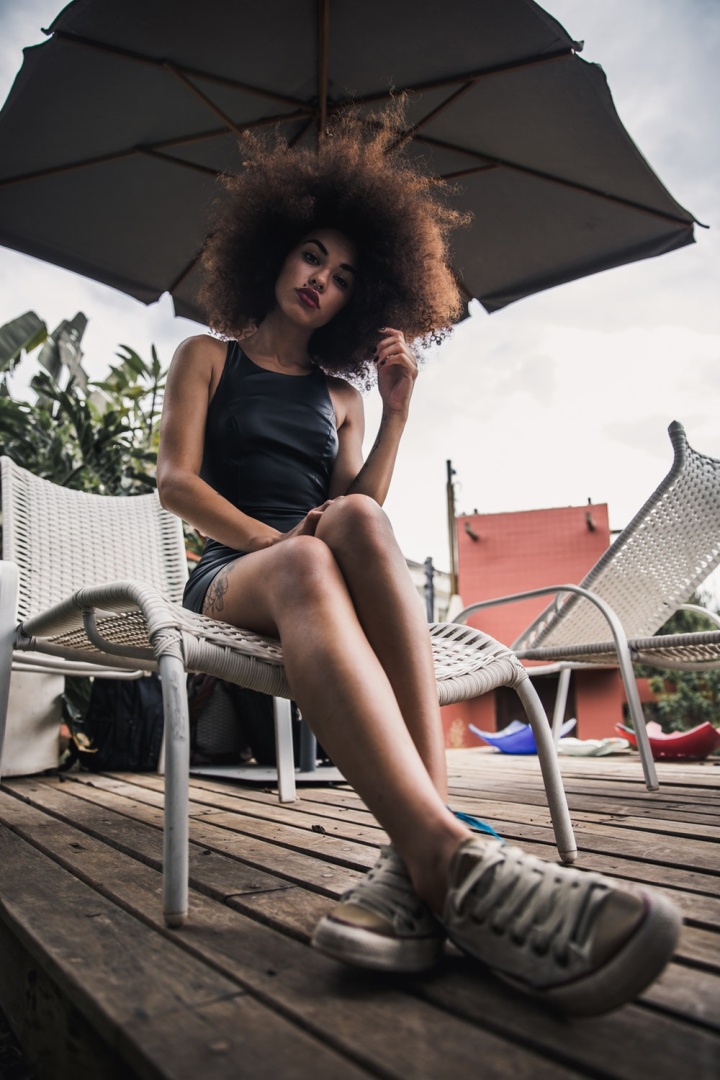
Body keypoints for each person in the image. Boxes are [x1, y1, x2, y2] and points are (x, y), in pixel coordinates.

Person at [157, 106, 680, 1016]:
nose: (323, 278)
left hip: (318, 560)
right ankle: (448, 855)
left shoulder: (340, 393)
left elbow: (365, 508)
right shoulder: (208, 355)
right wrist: (278, 541)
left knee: (352, 523)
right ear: (277, 252)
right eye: (314, 254)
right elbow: (176, 484)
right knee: (313, 562)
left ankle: (419, 852)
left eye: (346, 276)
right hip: (234, 572)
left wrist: (395, 409)